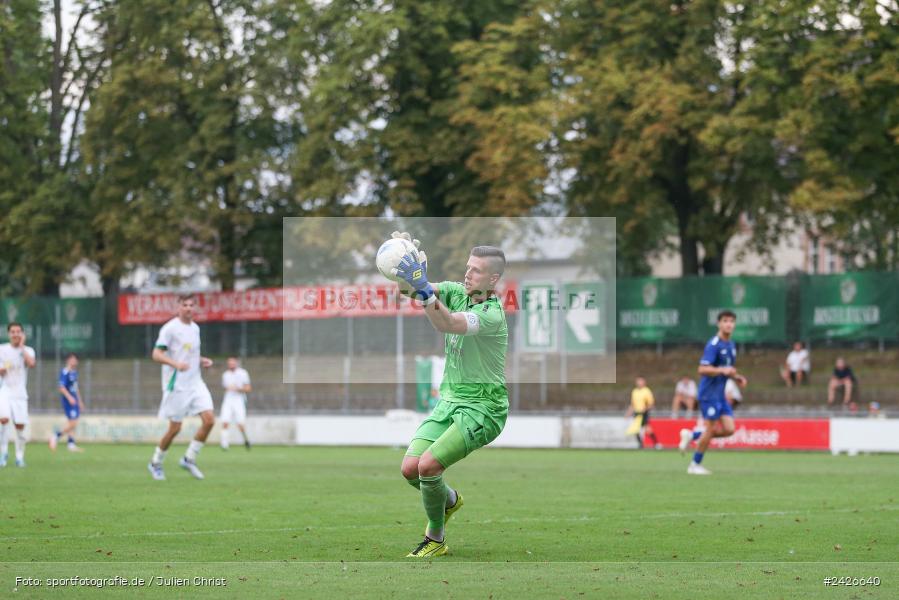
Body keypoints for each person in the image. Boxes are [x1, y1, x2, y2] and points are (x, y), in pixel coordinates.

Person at [394, 232, 509, 558]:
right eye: (468, 267)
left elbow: (447, 323)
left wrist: (423, 288)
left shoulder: (491, 314)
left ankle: (435, 538)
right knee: (410, 469)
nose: (467, 274)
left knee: (429, 467)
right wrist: (404, 267)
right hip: (450, 401)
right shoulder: (457, 291)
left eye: (476, 270)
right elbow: (408, 292)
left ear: (493, 279)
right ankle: (449, 500)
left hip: (484, 408)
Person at [147, 294, 215, 480]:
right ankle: (155, 462)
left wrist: (202, 360)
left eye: (191, 305)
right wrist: (175, 364)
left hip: (196, 382)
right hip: (177, 385)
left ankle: (189, 458)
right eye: (185, 305)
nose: (188, 308)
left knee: (209, 420)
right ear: (178, 308)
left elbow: (190, 354)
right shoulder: (170, 329)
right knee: (175, 429)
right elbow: (156, 354)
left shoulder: (195, 328)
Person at [678, 310, 748, 475]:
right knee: (709, 429)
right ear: (719, 324)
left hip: (720, 395)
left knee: (729, 429)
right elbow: (702, 369)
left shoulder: (731, 345)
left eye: (731, 321)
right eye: (725, 321)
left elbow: (727, 369)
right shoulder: (714, 344)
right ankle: (694, 465)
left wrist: (736, 377)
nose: (729, 324)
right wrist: (722, 370)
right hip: (708, 394)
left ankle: (692, 435)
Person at [0, 323, 36, 468]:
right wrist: (3, 369)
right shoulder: (2, 349)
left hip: (20, 393)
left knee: (20, 426)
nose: (15, 334)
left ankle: (19, 457)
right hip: (5, 391)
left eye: (18, 331)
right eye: (13, 332)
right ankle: (3, 453)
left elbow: (31, 363)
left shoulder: (28, 350)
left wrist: (21, 347)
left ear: (22, 334)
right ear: (9, 334)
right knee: (4, 419)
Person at [49, 353, 85, 452]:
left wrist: (80, 401)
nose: (75, 361)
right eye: (73, 359)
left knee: (72, 422)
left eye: (76, 360)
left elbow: (75, 388)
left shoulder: (74, 372)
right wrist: (69, 398)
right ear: (68, 360)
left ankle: (71, 444)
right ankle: (55, 436)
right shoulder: (65, 372)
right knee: (73, 422)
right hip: (68, 401)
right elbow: (61, 387)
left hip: (74, 400)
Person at [220, 356, 252, 450]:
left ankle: (246, 440)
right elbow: (226, 387)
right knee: (225, 421)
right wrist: (229, 388)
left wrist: (238, 388)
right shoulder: (225, 375)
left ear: (236, 363)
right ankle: (224, 444)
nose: (231, 365)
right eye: (229, 363)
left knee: (240, 423)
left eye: (233, 363)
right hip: (228, 400)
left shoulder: (243, 373)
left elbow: (248, 388)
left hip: (239, 400)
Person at [627, 377, 659, 448]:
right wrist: (628, 413)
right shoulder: (634, 391)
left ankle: (656, 443)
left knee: (648, 429)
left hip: (644, 413)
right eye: (638, 381)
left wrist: (645, 409)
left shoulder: (647, 391)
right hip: (636, 412)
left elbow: (651, 404)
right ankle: (640, 445)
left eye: (640, 381)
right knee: (635, 429)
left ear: (644, 382)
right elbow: (632, 404)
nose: (639, 383)